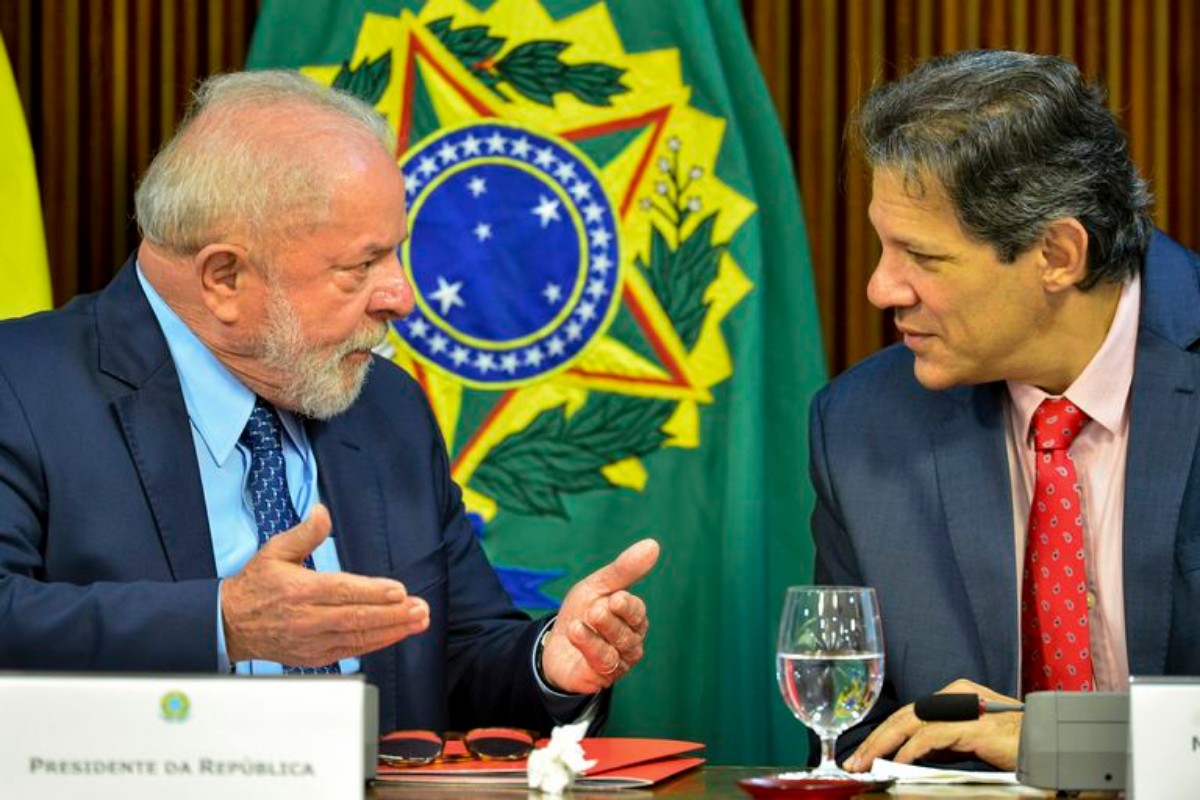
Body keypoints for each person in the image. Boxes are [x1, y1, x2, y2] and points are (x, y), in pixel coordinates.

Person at [0, 70, 660, 736]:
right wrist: (224, 624)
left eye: (395, 253)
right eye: (361, 265)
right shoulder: (20, 385)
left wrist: (551, 663)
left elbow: (457, 657)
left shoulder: (386, 406)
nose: (401, 296)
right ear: (225, 278)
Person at [809, 49, 1200, 772]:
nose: (879, 288)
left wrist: (1077, 744)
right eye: (882, 246)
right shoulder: (862, 426)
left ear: (1057, 254)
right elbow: (854, 743)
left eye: (922, 258)